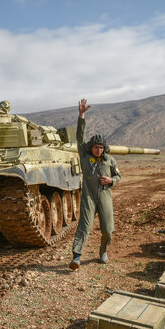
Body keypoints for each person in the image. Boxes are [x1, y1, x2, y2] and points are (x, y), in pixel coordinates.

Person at [70, 98, 121, 270]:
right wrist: (81, 115)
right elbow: (79, 136)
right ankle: (77, 256)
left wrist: (111, 180)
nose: (98, 150)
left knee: (107, 229)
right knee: (84, 226)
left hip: (105, 195)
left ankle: (103, 252)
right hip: (89, 196)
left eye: (101, 147)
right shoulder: (85, 157)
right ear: (91, 147)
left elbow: (118, 176)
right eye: (95, 147)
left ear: (104, 148)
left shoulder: (109, 160)